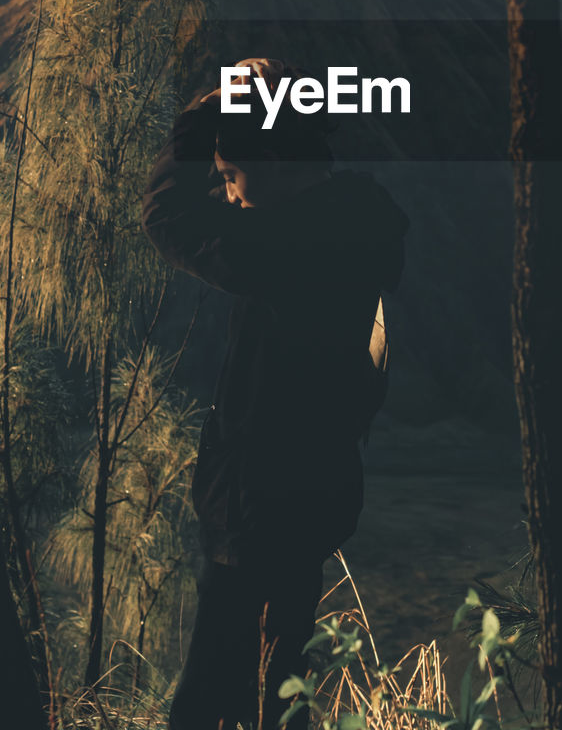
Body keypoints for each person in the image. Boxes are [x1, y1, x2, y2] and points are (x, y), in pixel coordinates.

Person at [141, 57, 409, 730]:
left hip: (260, 504)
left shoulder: (290, 246)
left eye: (230, 177)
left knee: (216, 692)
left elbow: (167, 215)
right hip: (314, 493)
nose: (227, 195)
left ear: (271, 158)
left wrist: (206, 114)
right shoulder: (353, 223)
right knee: (283, 683)